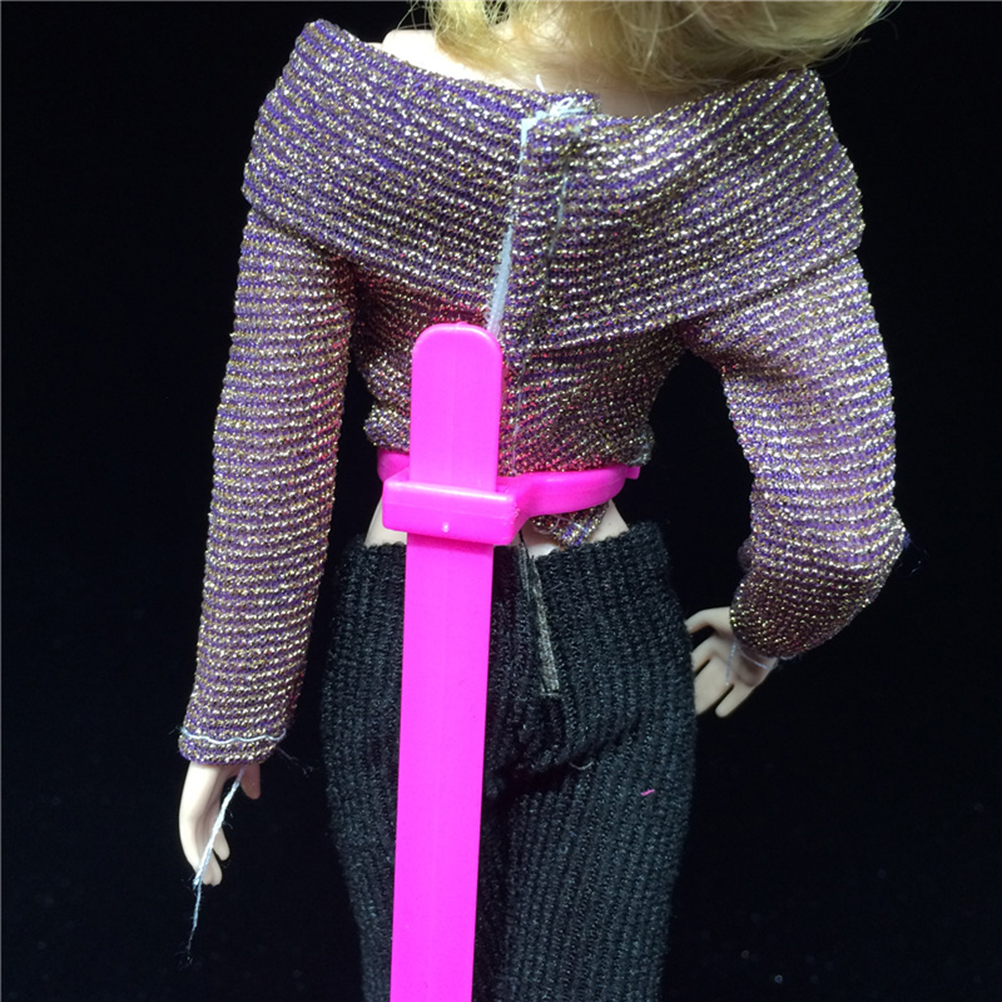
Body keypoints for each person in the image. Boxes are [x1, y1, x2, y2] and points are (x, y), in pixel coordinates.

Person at [178, 2, 903, 997]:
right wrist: (767, 631)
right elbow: (841, 529)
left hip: (404, 623)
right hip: (601, 623)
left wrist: (236, 712)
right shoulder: (746, 145)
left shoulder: (350, 110)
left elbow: (274, 444)